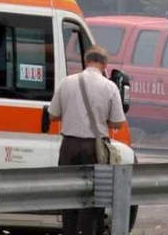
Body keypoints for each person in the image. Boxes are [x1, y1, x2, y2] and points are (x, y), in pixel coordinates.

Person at [48, 44, 126, 235]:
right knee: (94, 200)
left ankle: (69, 231)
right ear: (104, 64)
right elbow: (118, 123)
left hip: (69, 146)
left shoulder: (67, 82)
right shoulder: (110, 87)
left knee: (68, 197)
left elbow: (53, 114)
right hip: (95, 149)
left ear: (86, 61)